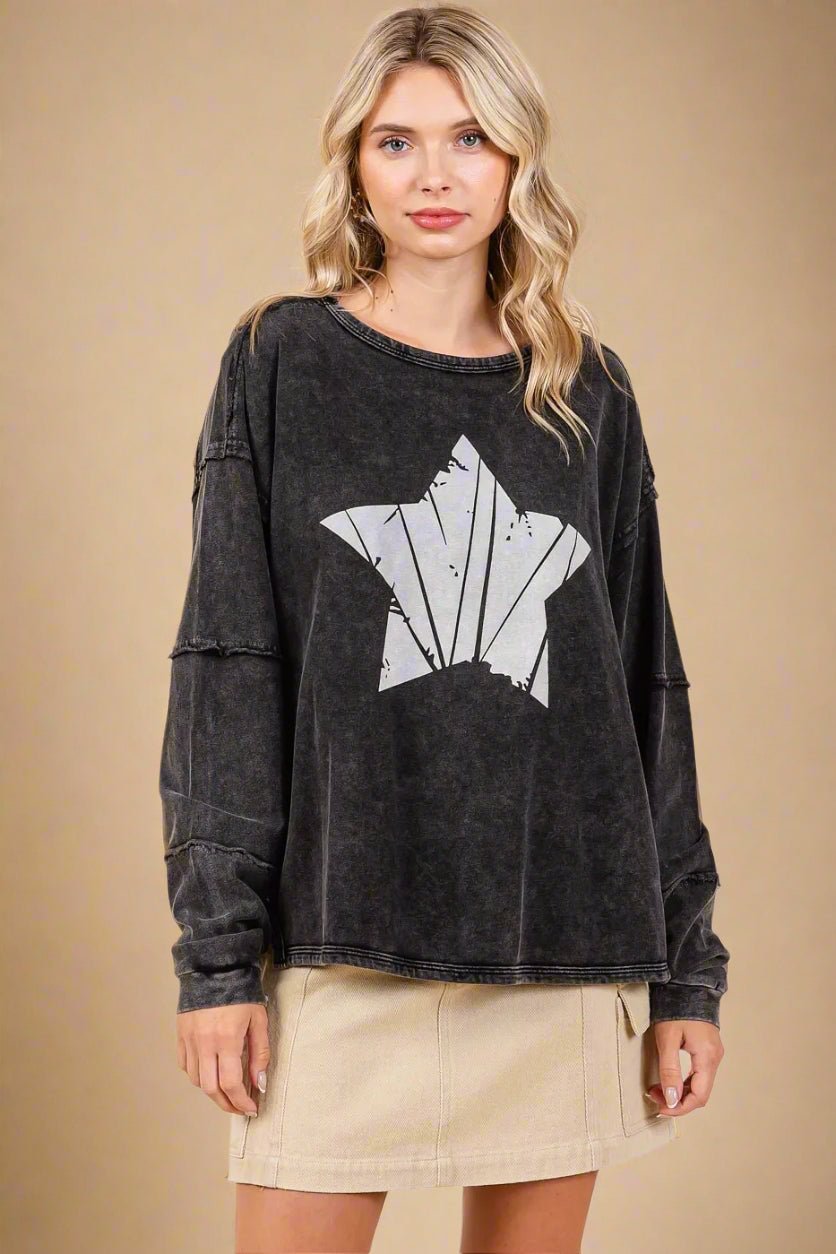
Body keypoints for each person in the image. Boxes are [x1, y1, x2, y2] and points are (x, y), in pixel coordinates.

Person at [158, 6, 729, 1252]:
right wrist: (217, 963)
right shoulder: (279, 360)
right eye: (396, 141)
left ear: (516, 159)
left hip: (560, 946)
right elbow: (228, 667)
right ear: (354, 166)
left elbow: (644, 687)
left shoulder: (587, 390)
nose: (434, 174)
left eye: (470, 138)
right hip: (342, 941)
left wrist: (687, 972)